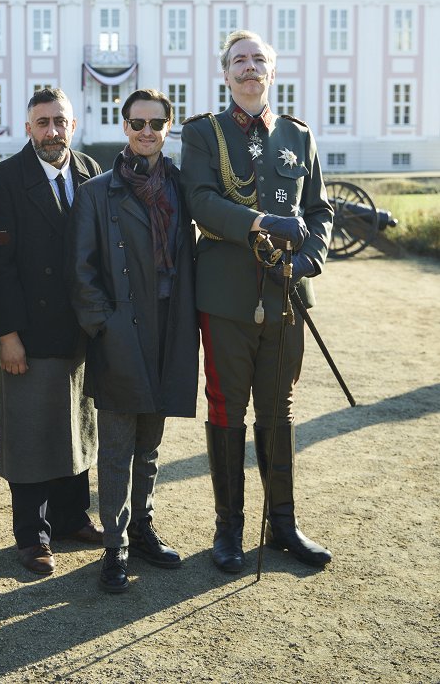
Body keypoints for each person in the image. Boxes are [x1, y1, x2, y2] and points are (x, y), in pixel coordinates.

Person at [180, 29, 334, 574]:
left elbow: (318, 210)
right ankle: (229, 529)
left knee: (280, 408)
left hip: (288, 293)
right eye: (239, 61)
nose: (249, 69)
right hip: (226, 295)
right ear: (225, 74)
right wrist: (261, 222)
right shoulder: (204, 133)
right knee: (226, 408)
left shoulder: (297, 135)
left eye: (258, 60)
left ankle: (284, 524)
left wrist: (309, 259)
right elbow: (199, 200)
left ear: (272, 71)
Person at [68, 88, 198, 593]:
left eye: (156, 123)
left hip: (170, 325)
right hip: (122, 329)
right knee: (118, 447)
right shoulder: (99, 191)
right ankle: (114, 547)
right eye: (137, 123)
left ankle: (142, 529)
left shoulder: (183, 187)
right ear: (124, 127)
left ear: (168, 128)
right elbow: (82, 270)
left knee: (150, 444)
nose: (147, 132)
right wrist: (104, 325)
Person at [0, 88, 103, 575]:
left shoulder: (90, 173)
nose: (52, 131)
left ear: (73, 126)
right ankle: (32, 537)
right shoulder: (6, 179)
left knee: (78, 425)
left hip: (82, 329)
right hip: (29, 331)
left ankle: (73, 518)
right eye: (42, 122)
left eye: (60, 121)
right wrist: (5, 333)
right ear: (28, 127)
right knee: (30, 433)